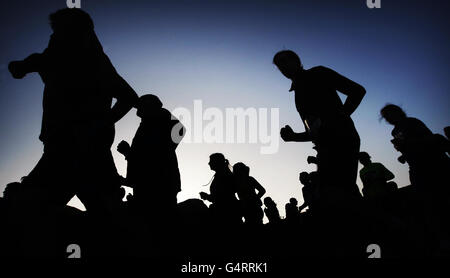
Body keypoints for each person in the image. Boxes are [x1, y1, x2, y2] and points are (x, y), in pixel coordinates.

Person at [8, 8, 138, 213]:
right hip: (62, 148)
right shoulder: (56, 58)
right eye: (55, 31)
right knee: (32, 206)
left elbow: (129, 97)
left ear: (78, 32)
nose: (54, 35)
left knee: (104, 211)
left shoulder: (95, 62)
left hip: (86, 152)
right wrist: (23, 65)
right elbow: (31, 64)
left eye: (59, 30)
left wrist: (101, 123)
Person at [273, 50, 365, 210]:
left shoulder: (319, 73)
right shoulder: (297, 94)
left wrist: (340, 118)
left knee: (339, 195)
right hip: (324, 147)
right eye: (279, 66)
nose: (283, 67)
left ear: (297, 60)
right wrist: (293, 137)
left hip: (341, 139)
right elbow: (314, 132)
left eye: (285, 61)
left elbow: (357, 91)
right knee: (330, 197)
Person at [117, 94, 184, 219]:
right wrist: (129, 153)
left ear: (148, 106)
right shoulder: (147, 124)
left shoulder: (159, 116)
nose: (137, 110)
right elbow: (143, 156)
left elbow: (179, 130)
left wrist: (162, 153)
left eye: (140, 106)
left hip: (157, 186)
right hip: (146, 184)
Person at [200, 153, 242, 226]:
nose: (209, 163)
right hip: (228, 211)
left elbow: (222, 197)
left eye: (211, 161)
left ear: (217, 162)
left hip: (226, 213)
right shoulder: (223, 174)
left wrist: (207, 196)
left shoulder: (224, 175)